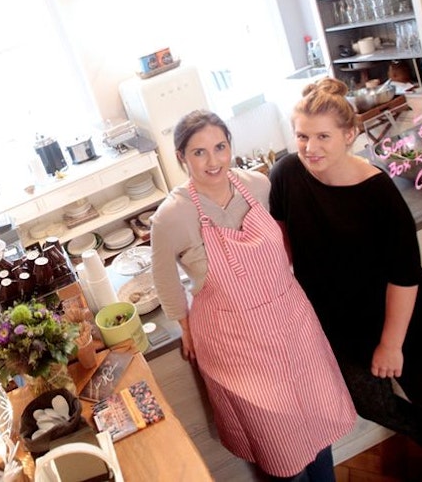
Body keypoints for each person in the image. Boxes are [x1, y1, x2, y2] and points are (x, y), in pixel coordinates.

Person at [268, 78, 422, 482]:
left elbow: (405, 275)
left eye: (322, 136)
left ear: (349, 134)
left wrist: (391, 344)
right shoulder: (285, 174)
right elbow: (284, 244)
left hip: (407, 321)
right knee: (369, 401)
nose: (310, 147)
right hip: (341, 326)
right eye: (302, 136)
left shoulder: (377, 191)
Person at [150, 110, 356, 482]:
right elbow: (165, 279)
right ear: (181, 157)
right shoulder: (171, 217)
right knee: (280, 444)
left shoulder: (258, 186)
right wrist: (185, 327)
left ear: (230, 145)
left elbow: (286, 240)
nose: (213, 161)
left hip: (291, 323)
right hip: (235, 343)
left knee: (317, 426)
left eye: (220, 147)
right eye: (199, 152)